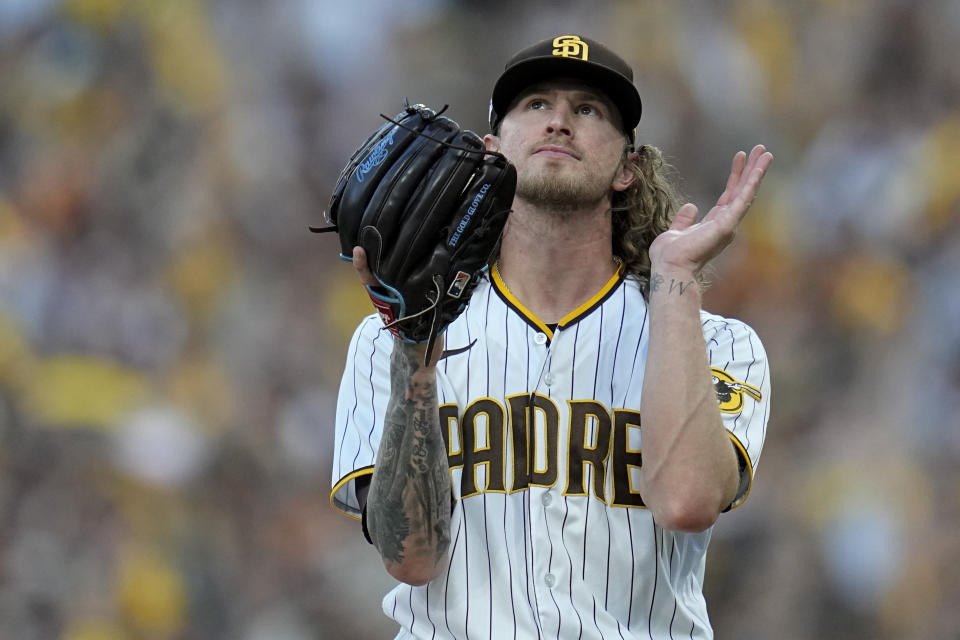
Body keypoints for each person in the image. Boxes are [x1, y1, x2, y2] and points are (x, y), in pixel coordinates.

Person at [330, 33, 773, 639]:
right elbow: (411, 559)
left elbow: (685, 503)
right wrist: (415, 361)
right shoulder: (389, 337)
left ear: (628, 169)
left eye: (588, 110)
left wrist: (676, 279)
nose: (559, 122)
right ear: (492, 151)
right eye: (535, 105)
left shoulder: (716, 343)